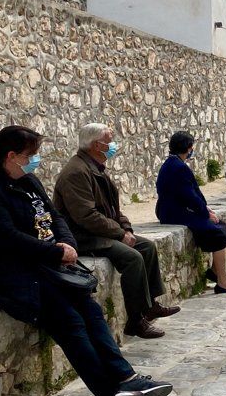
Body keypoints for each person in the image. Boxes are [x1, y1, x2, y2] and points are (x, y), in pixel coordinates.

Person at [0, 125, 174, 396]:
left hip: (49, 268)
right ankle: (111, 394)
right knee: (70, 324)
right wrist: (55, 251)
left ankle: (126, 379)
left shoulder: (29, 181)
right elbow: (6, 238)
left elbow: (56, 217)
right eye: (31, 155)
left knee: (90, 312)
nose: (35, 160)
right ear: (11, 155)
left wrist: (65, 242)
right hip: (12, 275)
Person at [53, 123, 178, 340]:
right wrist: (120, 234)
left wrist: (126, 228)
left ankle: (149, 305)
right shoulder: (76, 172)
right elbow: (86, 216)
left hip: (101, 231)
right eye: (108, 141)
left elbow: (114, 209)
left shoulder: (95, 167)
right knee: (132, 258)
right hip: (83, 236)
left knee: (147, 246)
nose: (112, 145)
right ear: (95, 145)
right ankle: (136, 320)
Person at [155, 131, 226, 295]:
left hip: (176, 209)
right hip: (176, 213)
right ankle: (223, 282)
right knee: (217, 233)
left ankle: (215, 271)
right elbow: (188, 196)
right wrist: (204, 213)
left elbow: (191, 194)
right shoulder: (178, 167)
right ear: (189, 148)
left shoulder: (173, 163)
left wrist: (206, 208)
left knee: (223, 226)